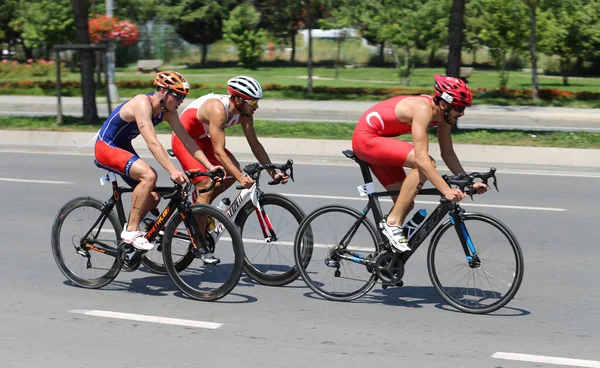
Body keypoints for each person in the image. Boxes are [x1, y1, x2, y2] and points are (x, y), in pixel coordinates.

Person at [351, 74, 489, 252]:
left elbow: (447, 153)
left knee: (406, 203)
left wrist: (469, 182)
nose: (462, 113)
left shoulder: (444, 116)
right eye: (459, 108)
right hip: (366, 140)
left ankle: (386, 255)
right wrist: (446, 191)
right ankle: (392, 224)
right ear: (443, 104)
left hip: (381, 142)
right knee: (425, 162)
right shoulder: (423, 109)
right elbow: (421, 159)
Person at [95, 70, 220, 252]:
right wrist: (172, 171)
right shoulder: (141, 103)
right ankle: (131, 231)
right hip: (106, 147)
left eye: (183, 97)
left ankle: (132, 233)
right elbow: (152, 142)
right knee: (149, 176)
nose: (181, 102)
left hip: (122, 147)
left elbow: (187, 140)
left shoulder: (167, 111)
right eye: (177, 96)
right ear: (163, 91)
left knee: (153, 198)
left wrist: (209, 166)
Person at [170, 76, 289, 263]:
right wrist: (241, 177)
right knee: (207, 183)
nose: (256, 106)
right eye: (253, 102)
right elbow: (218, 152)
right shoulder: (218, 109)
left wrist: (272, 172)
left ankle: (201, 204)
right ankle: (199, 246)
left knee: (231, 173)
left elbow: (255, 145)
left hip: (202, 139)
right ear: (238, 100)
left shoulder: (246, 114)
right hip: (184, 140)